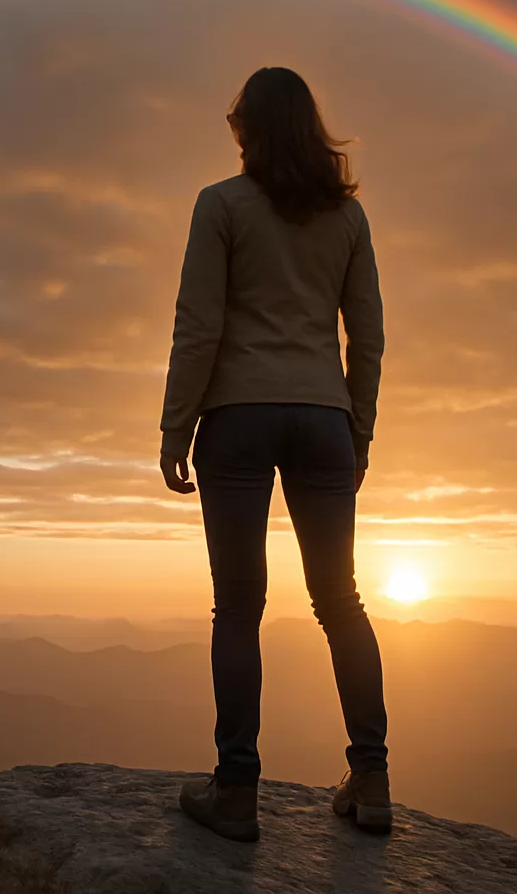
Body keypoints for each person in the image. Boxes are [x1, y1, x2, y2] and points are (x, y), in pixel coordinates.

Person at [158, 66, 391, 842]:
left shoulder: (220, 207)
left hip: (238, 417)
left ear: (248, 130)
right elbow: (369, 333)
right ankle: (372, 777)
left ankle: (237, 789)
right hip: (324, 416)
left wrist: (174, 427)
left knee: (239, 605)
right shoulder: (348, 221)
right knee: (340, 600)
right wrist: (358, 427)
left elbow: (199, 324)